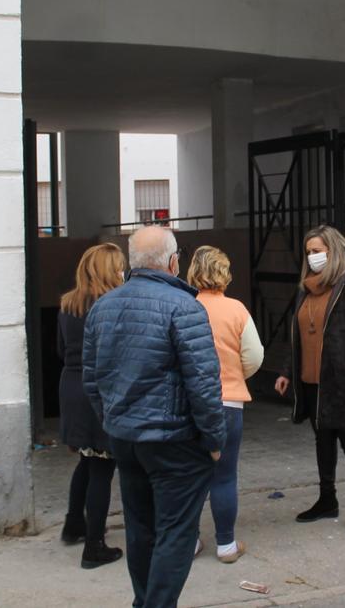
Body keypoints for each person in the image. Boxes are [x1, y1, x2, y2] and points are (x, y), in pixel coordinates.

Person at [83, 226, 226, 608]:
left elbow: (92, 379)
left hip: (127, 440)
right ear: (173, 261)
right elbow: (204, 382)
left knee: (140, 529)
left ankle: (143, 601)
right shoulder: (184, 307)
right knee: (176, 532)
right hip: (173, 441)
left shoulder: (104, 306)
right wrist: (214, 440)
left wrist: (113, 421)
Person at [274, 224, 345, 536]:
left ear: (333, 251)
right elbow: (295, 334)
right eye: (308, 252)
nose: (312, 257)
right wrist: (286, 371)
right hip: (311, 379)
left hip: (343, 380)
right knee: (322, 439)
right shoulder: (306, 288)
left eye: (317, 251)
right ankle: (327, 499)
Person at [187, 246, 264, 564]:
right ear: (225, 273)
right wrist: (234, 374)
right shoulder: (237, 310)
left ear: (193, 271)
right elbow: (255, 356)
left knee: (189, 477)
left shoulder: (184, 307)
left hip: (189, 404)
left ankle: (190, 542)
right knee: (224, 475)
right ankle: (226, 545)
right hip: (229, 402)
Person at [57, 243, 125, 569]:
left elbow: (61, 349)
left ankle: (74, 524)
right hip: (98, 390)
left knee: (86, 459)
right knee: (102, 465)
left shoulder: (68, 304)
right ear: (110, 270)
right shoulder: (111, 306)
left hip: (71, 386)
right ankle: (94, 546)